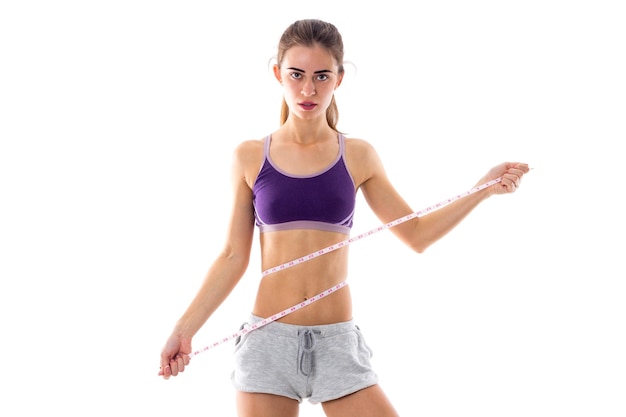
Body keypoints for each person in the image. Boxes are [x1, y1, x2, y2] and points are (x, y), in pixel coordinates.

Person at [158, 18, 530, 417]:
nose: (308, 89)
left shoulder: (357, 155)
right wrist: (184, 331)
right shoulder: (250, 156)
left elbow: (417, 235)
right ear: (277, 74)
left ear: (338, 79)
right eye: (296, 75)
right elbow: (233, 255)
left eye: (321, 76)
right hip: (268, 342)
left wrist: (482, 189)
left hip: (337, 343)